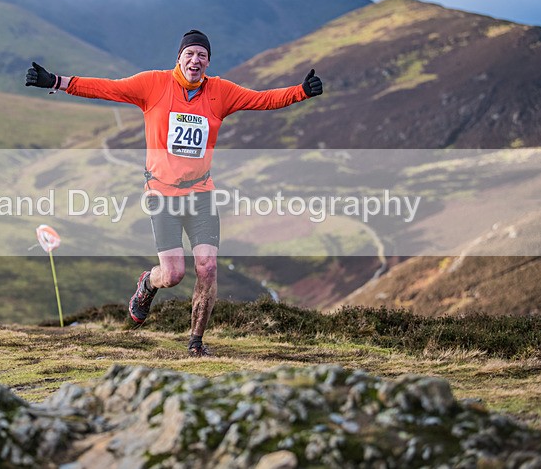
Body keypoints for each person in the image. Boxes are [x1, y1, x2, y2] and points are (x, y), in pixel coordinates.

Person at [26, 29, 323, 357]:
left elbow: (262, 99)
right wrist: (56, 81)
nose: (196, 60)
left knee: (208, 267)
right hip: (162, 193)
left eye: (202, 56)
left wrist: (302, 92)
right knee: (173, 274)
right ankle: (148, 284)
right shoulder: (152, 84)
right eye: (190, 54)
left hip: (201, 192)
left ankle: (196, 342)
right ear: (179, 58)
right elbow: (107, 89)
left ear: (208, 62)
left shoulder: (220, 92)